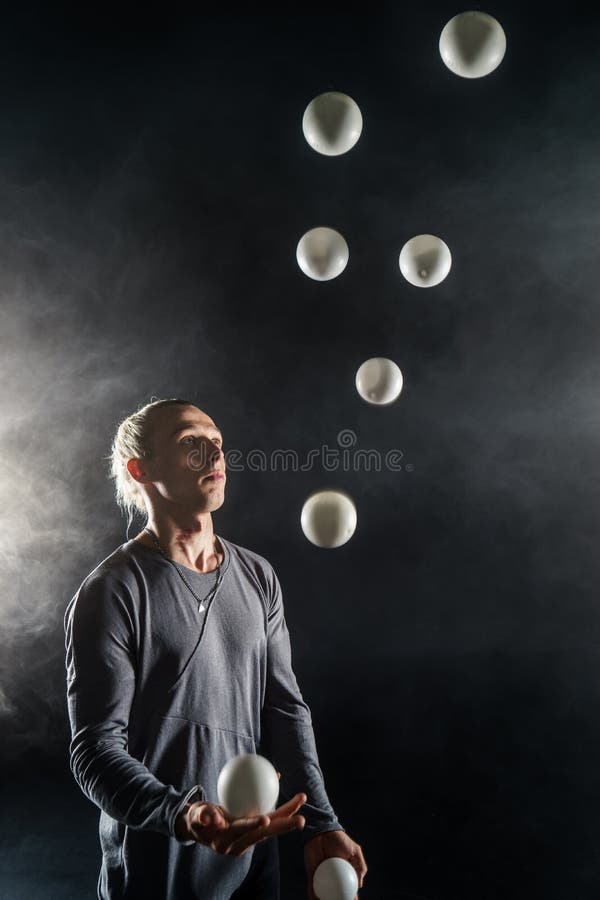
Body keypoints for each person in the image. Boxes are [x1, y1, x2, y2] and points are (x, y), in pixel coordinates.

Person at [64, 397, 367, 900]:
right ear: (142, 469)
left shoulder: (258, 577)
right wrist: (182, 815)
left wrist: (322, 824)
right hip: (157, 866)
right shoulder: (112, 592)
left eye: (218, 444)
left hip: (252, 859)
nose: (215, 455)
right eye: (191, 444)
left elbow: (285, 712)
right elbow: (94, 750)